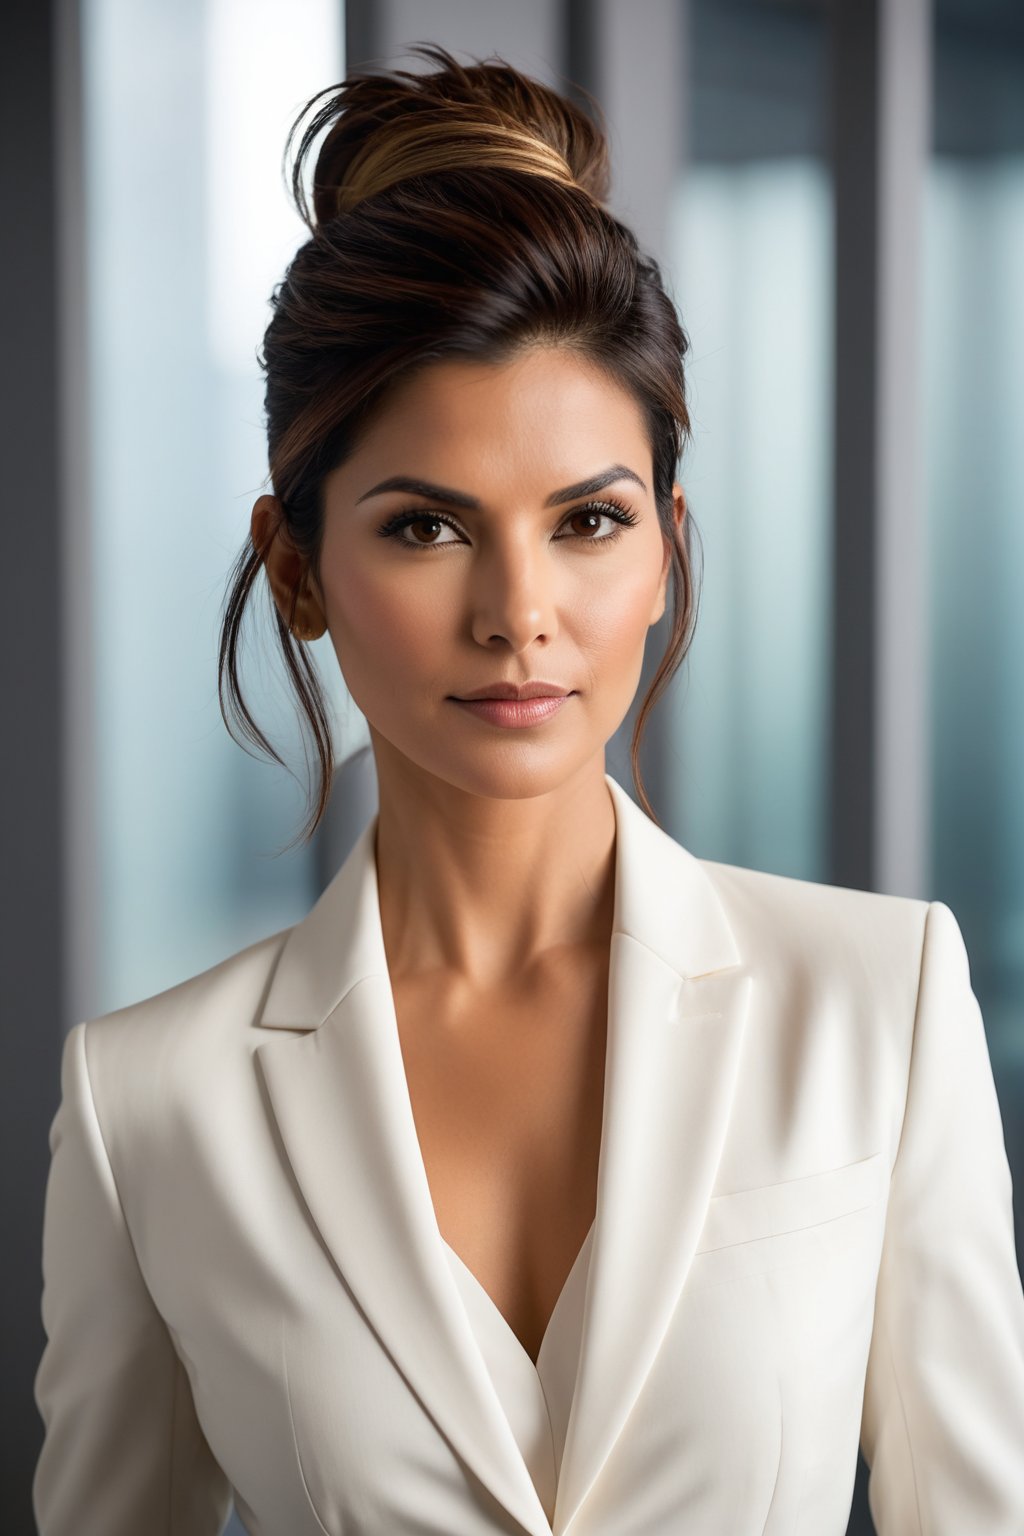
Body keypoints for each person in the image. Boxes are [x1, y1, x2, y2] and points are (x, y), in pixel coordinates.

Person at [32, 43, 1024, 1536]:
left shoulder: (878, 1007)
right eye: (429, 527)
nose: (519, 612)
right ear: (297, 566)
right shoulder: (149, 1108)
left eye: (587, 521)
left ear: (668, 544)